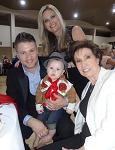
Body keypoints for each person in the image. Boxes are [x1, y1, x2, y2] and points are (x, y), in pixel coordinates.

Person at [37, 40, 115, 150]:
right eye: (78, 61)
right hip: (83, 137)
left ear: (97, 58)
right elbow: (87, 108)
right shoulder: (89, 86)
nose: (83, 64)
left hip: (97, 144)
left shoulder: (111, 79)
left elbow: (111, 131)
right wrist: (64, 102)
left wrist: (81, 149)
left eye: (87, 57)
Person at [6, 32, 75, 150]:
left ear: (37, 50)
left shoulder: (51, 63)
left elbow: (67, 87)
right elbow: (13, 102)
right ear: (17, 55)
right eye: (23, 53)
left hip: (53, 109)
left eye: (31, 51)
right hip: (28, 112)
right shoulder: (13, 74)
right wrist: (30, 121)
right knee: (12, 135)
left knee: (67, 129)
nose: (28, 57)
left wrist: (64, 102)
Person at [38, 4, 88, 98]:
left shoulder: (74, 31)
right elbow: (45, 62)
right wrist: (25, 59)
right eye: (46, 20)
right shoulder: (49, 43)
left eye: (53, 16)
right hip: (64, 86)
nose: (51, 22)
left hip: (82, 79)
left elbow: (88, 58)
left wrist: (74, 62)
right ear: (44, 25)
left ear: (58, 16)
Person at [34, 51, 79, 148]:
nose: (54, 71)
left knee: (51, 119)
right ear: (46, 69)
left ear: (62, 72)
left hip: (58, 108)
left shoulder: (65, 83)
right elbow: (39, 93)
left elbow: (72, 94)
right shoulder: (43, 82)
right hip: (46, 106)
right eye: (51, 68)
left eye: (58, 69)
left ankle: (50, 134)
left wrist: (70, 106)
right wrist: (39, 104)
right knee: (40, 117)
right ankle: (38, 136)